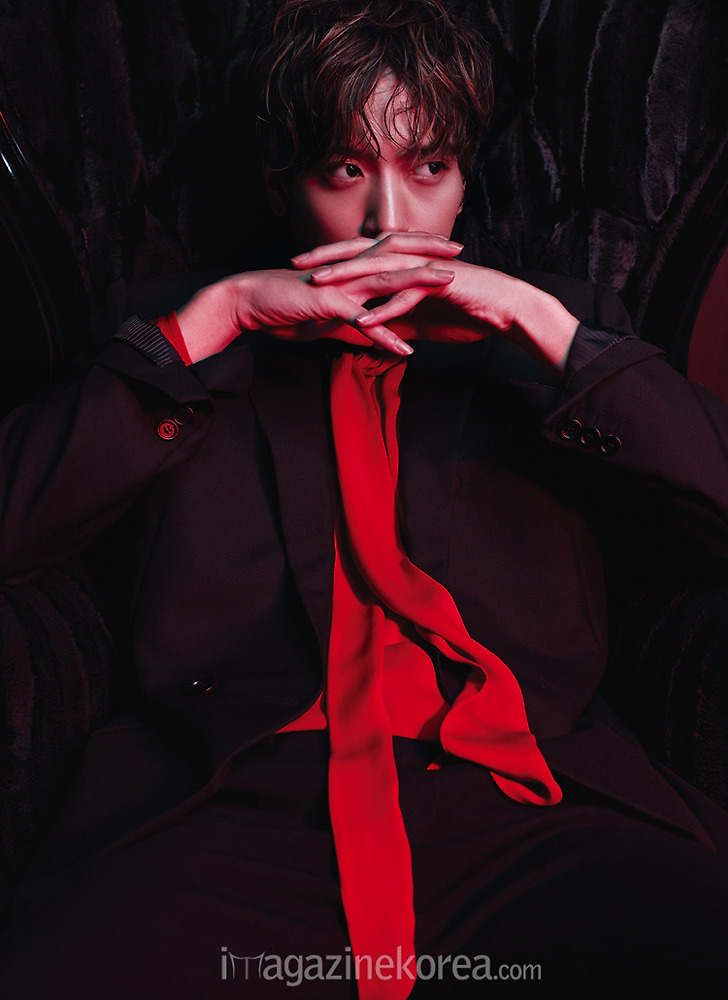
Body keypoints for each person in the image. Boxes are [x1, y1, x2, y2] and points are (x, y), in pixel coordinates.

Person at [2, 1, 728, 997]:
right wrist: (218, 319)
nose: (391, 219)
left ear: (465, 181)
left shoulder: (561, 332)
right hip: (234, 805)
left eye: (428, 167)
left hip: (529, 800)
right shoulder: (167, 330)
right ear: (282, 183)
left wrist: (543, 326)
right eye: (345, 169)